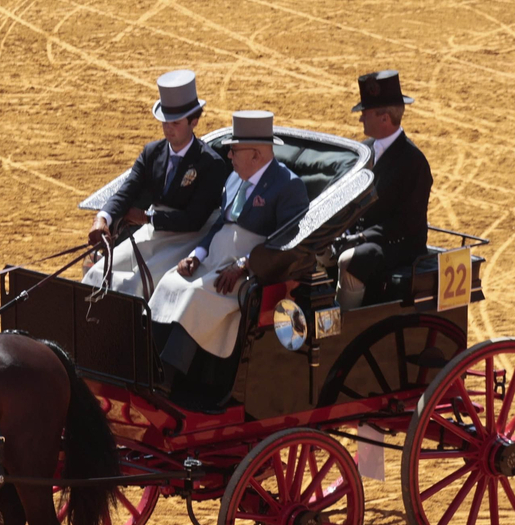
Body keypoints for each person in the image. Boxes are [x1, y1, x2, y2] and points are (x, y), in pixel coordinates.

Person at [147, 110, 308, 380]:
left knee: (195, 297)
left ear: (256, 155)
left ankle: (168, 378)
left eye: (234, 150)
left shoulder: (289, 186)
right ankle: (148, 362)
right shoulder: (234, 178)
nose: (229, 156)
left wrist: (244, 265)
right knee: (170, 283)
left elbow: (285, 244)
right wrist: (197, 255)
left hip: (246, 272)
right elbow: (221, 223)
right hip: (214, 261)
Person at [83, 70, 229, 298]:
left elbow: (194, 220)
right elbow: (126, 191)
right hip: (154, 234)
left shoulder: (211, 163)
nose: (168, 128)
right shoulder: (152, 152)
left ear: (194, 121)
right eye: (165, 122)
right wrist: (103, 218)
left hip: (188, 239)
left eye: (175, 123)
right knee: (96, 274)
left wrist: (147, 218)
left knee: (134, 285)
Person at [337, 70, 432, 310]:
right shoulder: (363, 151)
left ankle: (345, 320)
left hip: (398, 246)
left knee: (352, 260)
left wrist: (363, 237)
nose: (361, 119)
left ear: (385, 118)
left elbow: (406, 223)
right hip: (366, 238)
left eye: (365, 113)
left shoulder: (414, 162)